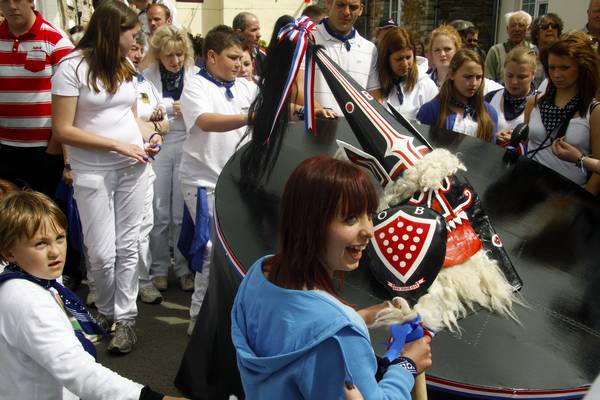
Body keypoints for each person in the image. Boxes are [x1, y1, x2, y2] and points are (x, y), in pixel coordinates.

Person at [231, 155, 433, 399]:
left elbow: (294, 334)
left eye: (369, 214)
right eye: (350, 218)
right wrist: (407, 365)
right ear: (310, 223)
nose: (369, 230)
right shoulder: (341, 336)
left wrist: (362, 318)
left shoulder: (258, 274)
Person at [51, 1, 162, 354]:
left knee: (128, 246)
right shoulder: (70, 67)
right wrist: (117, 145)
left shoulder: (123, 64)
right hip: (93, 169)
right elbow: (63, 129)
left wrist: (149, 135)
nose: (136, 41)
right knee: (100, 253)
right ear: (111, 32)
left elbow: (131, 115)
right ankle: (105, 311)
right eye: (131, 34)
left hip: (134, 164)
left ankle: (124, 319)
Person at [0, 190, 187, 400]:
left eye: (60, 238)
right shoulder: (27, 301)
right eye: (40, 244)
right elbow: (79, 371)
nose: (55, 252)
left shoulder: (33, 280)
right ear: (9, 253)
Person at [179, 25, 258, 334]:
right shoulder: (195, 86)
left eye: (242, 58)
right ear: (211, 56)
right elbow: (206, 121)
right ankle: (198, 318)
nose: (239, 64)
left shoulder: (246, 87)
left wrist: (305, 110)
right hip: (203, 181)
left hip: (238, 182)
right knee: (211, 250)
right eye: (233, 57)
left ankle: (233, 315)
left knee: (239, 249)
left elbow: (271, 111)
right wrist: (248, 117)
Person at [144, 24, 198, 294]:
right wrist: (164, 108)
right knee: (159, 212)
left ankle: (184, 269)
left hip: (187, 145)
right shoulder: (145, 77)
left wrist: (185, 109)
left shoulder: (196, 76)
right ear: (158, 55)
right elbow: (140, 110)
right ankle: (159, 269)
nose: (175, 61)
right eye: (169, 56)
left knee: (182, 214)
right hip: (158, 146)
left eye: (179, 54)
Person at [0, 0, 73, 197]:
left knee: (45, 218)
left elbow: (72, 99)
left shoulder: (56, 40)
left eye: (18, 0)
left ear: (31, 1)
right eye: (6, 1)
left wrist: (56, 147)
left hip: (45, 151)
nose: (12, 6)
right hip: (4, 149)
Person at [524, 32, 600, 193]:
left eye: (565, 67)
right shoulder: (534, 103)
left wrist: (583, 205)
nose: (557, 74)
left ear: (582, 67)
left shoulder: (594, 111)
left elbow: (598, 171)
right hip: (530, 192)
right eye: (552, 67)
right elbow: (526, 145)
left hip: (570, 198)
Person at [129, 31, 170, 305]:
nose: (135, 54)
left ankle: (143, 282)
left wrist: (152, 126)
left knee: (145, 225)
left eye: (138, 49)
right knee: (111, 237)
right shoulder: (104, 79)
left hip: (144, 165)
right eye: (131, 47)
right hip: (112, 164)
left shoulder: (145, 84)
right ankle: (101, 288)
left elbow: (165, 125)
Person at [305, 0, 381, 114]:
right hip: (318, 128)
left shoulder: (370, 49)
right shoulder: (307, 39)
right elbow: (296, 92)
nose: (346, 12)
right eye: (340, 5)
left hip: (356, 131)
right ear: (329, 3)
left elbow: (374, 97)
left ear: (361, 10)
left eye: (353, 7)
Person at [417, 48, 498, 143]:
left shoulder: (489, 112)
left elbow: (490, 152)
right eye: (468, 77)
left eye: (479, 77)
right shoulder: (431, 110)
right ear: (451, 74)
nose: (474, 83)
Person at [377, 27, 438, 121]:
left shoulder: (426, 85)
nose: (405, 64)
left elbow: (436, 125)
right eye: (399, 59)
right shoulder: (376, 84)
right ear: (386, 59)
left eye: (408, 57)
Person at [428, 24, 502, 95]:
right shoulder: (423, 83)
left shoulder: (476, 82)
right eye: (437, 50)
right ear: (431, 54)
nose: (442, 54)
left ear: (457, 50)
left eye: (447, 49)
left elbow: (501, 92)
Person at [485, 47, 537, 146]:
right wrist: (493, 137)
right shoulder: (490, 98)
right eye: (509, 75)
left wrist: (519, 140)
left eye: (521, 77)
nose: (514, 82)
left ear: (533, 75)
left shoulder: (541, 103)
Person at [485, 11, 534, 84]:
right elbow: (488, 80)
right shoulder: (495, 51)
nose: (516, 29)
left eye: (521, 25)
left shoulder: (534, 51)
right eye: (513, 25)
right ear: (507, 29)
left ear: (528, 29)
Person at [530, 13, 563, 88]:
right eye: (545, 27)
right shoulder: (527, 56)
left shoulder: (564, 56)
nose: (550, 29)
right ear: (536, 33)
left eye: (554, 26)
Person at [233, 12, 264, 76]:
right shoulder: (225, 56)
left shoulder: (262, 55)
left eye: (258, 29)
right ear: (239, 33)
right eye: (254, 30)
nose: (259, 35)